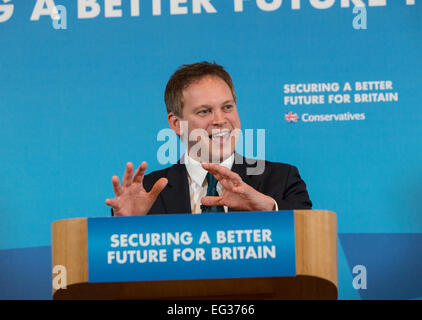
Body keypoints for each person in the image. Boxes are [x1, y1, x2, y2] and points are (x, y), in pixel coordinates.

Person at [105, 62, 312, 216]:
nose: (221, 120)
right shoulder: (148, 192)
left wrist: (268, 208)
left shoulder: (281, 179)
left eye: (227, 107)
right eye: (205, 111)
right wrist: (126, 226)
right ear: (177, 124)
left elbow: (309, 239)